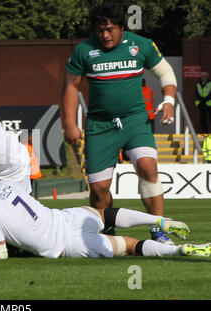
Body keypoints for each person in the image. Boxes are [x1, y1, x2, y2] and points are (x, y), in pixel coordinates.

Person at [60, 2, 177, 243]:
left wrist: (168, 101)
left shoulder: (141, 45)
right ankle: (107, 232)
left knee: (147, 167)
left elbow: (165, 73)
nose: (104, 34)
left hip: (135, 121)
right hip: (99, 126)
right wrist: (70, 124)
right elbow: (70, 86)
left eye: (110, 29)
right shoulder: (84, 50)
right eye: (100, 29)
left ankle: (158, 229)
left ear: (122, 27)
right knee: (100, 188)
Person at [0, 169, 210, 259]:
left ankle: (180, 250)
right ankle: (158, 220)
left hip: (63, 244)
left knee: (131, 246)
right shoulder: (6, 184)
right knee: (104, 214)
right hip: (65, 216)